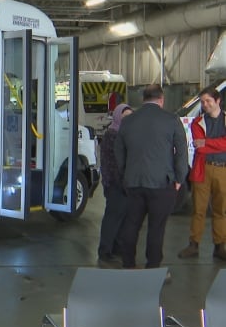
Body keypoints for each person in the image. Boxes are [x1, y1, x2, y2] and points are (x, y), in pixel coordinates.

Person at [115, 84, 188, 271]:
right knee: (157, 228)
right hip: (161, 183)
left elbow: (119, 151)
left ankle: (128, 264)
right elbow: (181, 152)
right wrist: (179, 178)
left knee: (131, 224)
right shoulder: (171, 120)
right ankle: (153, 267)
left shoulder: (128, 121)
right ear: (161, 99)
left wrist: (125, 174)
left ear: (143, 99)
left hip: (133, 182)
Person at [178, 86, 226, 260]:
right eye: (203, 101)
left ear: (218, 100)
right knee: (198, 209)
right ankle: (193, 245)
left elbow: (204, 145)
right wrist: (217, 143)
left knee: (221, 210)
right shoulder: (197, 123)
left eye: (208, 101)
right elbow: (199, 147)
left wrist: (207, 143)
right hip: (202, 169)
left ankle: (220, 246)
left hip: (223, 170)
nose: (205, 105)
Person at [97, 103, 133, 267]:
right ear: (118, 117)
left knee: (123, 218)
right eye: (125, 117)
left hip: (125, 184)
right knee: (113, 218)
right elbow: (113, 165)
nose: (127, 120)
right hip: (115, 184)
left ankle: (117, 248)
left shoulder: (127, 135)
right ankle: (105, 251)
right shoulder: (112, 135)